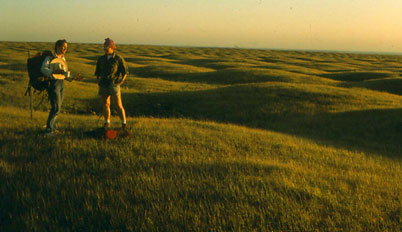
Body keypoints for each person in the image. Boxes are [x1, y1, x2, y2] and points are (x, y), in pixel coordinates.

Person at [95, 38, 129, 129]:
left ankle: (124, 123)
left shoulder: (118, 58)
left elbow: (125, 71)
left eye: (107, 47)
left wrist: (122, 81)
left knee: (118, 105)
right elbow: (97, 72)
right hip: (103, 84)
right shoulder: (101, 59)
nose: (105, 48)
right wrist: (98, 80)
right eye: (104, 47)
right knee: (106, 104)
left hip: (113, 84)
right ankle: (107, 122)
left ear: (112, 47)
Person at [41, 39, 69, 136]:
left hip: (61, 83)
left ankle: (53, 127)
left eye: (66, 47)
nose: (65, 49)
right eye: (63, 47)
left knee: (59, 106)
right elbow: (43, 69)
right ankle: (49, 130)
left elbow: (64, 73)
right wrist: (53, 72)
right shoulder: (50, 58)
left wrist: (70, 77)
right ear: (57, 47)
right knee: (56, 107)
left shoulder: (63, 59)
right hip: (53, 83)